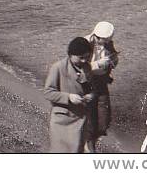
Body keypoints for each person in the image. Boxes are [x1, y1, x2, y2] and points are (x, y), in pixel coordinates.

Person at [43, 37, 96, 153]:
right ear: (71, 54)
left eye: (87, 57)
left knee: (76, 151)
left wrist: (91, 95)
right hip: (62, 119)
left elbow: (92, 89)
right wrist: (69, 97)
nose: (84, 61)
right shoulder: (58, 67)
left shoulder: (87, 67)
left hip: (80, 118)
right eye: (81, 57)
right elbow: (48, 92)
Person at [85, 21, 119, 151]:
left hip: (101, 81)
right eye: (104, 40)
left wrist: (113, 61)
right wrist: (99, 64)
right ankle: (89, 146)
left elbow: (114, 59)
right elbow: (79, 67)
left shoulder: (107, 43)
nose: (106, 43)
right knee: (90, 117)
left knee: (104, 121)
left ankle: (92, 139)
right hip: (86, 82)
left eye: (107, 40)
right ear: (96, 36)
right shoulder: (84, 43)